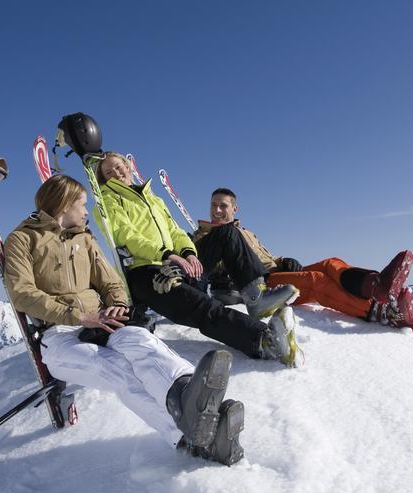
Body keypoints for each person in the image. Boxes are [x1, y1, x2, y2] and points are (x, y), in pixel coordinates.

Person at [3, 174, 244, 465]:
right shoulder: (23, 239)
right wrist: (79, 316)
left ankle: (190, 393)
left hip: (101, 322)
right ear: (64, 204)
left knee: (143, 342)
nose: (85, 210)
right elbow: (22, 294)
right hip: (58, 333)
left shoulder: (85, 240)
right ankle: (190, 439)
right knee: (116, 369)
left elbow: (112, 283)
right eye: (81, 204)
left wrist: (117, 304)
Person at [94, 152, 302, 367]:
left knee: (227, 233)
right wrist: (167, 255)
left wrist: (188, 253)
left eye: (119, 167)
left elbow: (176, 231)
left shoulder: (152, 199)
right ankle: (263, 340)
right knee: (202, 306)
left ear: (128, 167)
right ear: (105, 179)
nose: (117, 173)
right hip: (147, 272)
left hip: (176, 264)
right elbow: (127, 236)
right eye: (109, 172)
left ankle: (256, 298)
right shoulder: (107, 202)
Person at [193, 188, 413, 330]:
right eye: (214, 205)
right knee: (315, 280)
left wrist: (283, 260)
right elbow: (211, 263)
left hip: (273, 272)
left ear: (234, 208)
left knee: (330, 263)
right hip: (257, 283)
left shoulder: (245, 232)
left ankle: (376, 286)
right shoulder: (207, 235)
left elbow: (267, 258)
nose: (217, 211)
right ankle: (382, 312)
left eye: (223, 206)